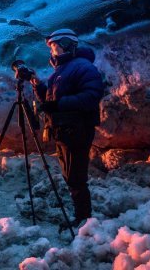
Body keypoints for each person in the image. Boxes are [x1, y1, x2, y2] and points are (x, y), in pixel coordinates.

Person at [30, 28, 104, 227]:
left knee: (76, 177)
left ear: (66, 45)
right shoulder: (61, 71)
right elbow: (51, 100)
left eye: (54, 46)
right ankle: (82, 216)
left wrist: (58, 105)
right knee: (70, 176)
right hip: (63, 130)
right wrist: (37, 84)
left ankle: (84, 219)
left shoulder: (82, 67)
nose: (52, 51)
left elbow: (92, 95)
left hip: (77, 129)